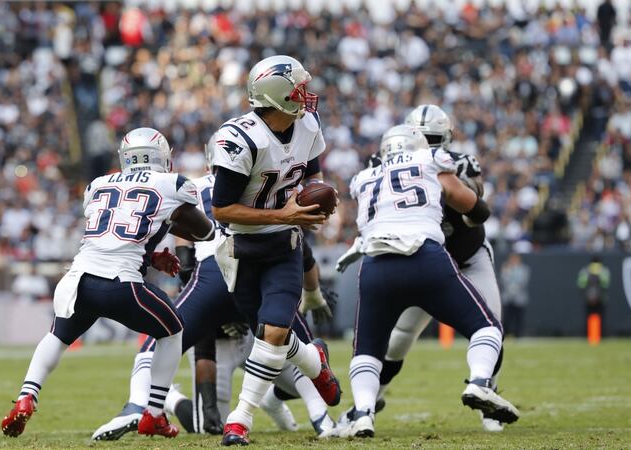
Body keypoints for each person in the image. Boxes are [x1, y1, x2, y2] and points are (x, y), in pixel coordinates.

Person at [92, 138, 338, 441]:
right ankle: (320, 418)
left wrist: (180, 265)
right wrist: (312, 293)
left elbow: (180, 243)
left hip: (219, 275)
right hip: (240, 280)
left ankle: (138, 403)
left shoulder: (191, 185)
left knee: (162, 341)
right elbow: (301, 249)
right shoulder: (264, 185)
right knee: (290, 349)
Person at [0, 127, 215, 440]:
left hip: (78, 281)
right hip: (120, 284)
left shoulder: (99, 184)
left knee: (57, 337)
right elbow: (204, 231)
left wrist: (152, 256)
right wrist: (173, 224)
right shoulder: (173, 183)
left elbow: (113, 233)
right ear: (162, 156)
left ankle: (25, 396)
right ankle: (155, 413)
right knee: (173, 330)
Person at [340, 124, 518, 438]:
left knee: (366, 350)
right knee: (487, 327)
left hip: (377, 265)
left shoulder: (365, 176)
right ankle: (479, 383)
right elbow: (477, 209)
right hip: (426, 257)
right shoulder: (432, 161)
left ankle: (363, 414)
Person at [210, 55, 341, 446]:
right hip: (243, 248)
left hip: (285, 245)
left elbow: (312, 174)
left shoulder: (307, 124)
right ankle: (315, 361)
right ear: (277, 96)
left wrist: (315, 200)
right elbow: (222, 209)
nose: (306, 95)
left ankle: (239, 419)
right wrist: (282, 213)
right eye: (299, 89)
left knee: (276, 331)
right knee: (271, 338)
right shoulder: (240, 139)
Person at [577, 255, 610, 335]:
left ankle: (588, 334)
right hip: (601, 298)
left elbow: (581, 284)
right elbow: (605, 284)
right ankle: (601, 334)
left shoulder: (585, 270)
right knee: (601, 317)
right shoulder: (603, 270)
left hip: (588, 298)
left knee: (588, 317)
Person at [501, 253, 530, 338]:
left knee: (519, 317)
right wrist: (506, 272)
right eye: (512, 259)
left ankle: (518, 334)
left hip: (519, 297)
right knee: (506, 317)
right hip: (508, 297)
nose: (513, 261)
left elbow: (523, 281)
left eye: (515, 259)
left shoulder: (524, 269)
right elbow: (503, 279)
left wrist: (515, 288)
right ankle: (505, 334)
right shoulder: (506, 268)